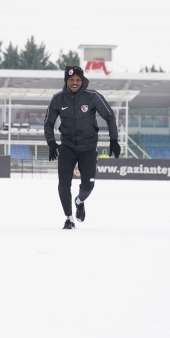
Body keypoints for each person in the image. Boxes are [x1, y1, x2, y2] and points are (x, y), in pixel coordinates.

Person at [44, 66, 120, 230]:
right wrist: (51, 143)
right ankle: (69, 218)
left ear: (82, 80)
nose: (75, 83)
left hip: (88, 148)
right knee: (63, 185)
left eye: (78, 80)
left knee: (88, 186)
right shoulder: (58, 99)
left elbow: (109, 116)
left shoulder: (92, 96)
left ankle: (79, 201)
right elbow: (48, 123)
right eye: (71, 80)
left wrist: (114, 139)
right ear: (66, 81)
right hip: (67, 147)